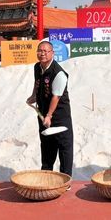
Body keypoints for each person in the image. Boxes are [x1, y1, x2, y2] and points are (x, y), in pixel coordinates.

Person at [26, 41, 73, 176]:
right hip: (43, 114)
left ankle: (65, 179)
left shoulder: (58, 73)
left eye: (46, 51)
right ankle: (46, 176)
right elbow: (37, 83)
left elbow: (56, 97)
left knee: (64, 148)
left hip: (59, 117)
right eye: (40, 51)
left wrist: (49, 115)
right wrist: (33, 96)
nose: (42, 54)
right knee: (46, 147)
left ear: (52, 53)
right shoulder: (37, 67)